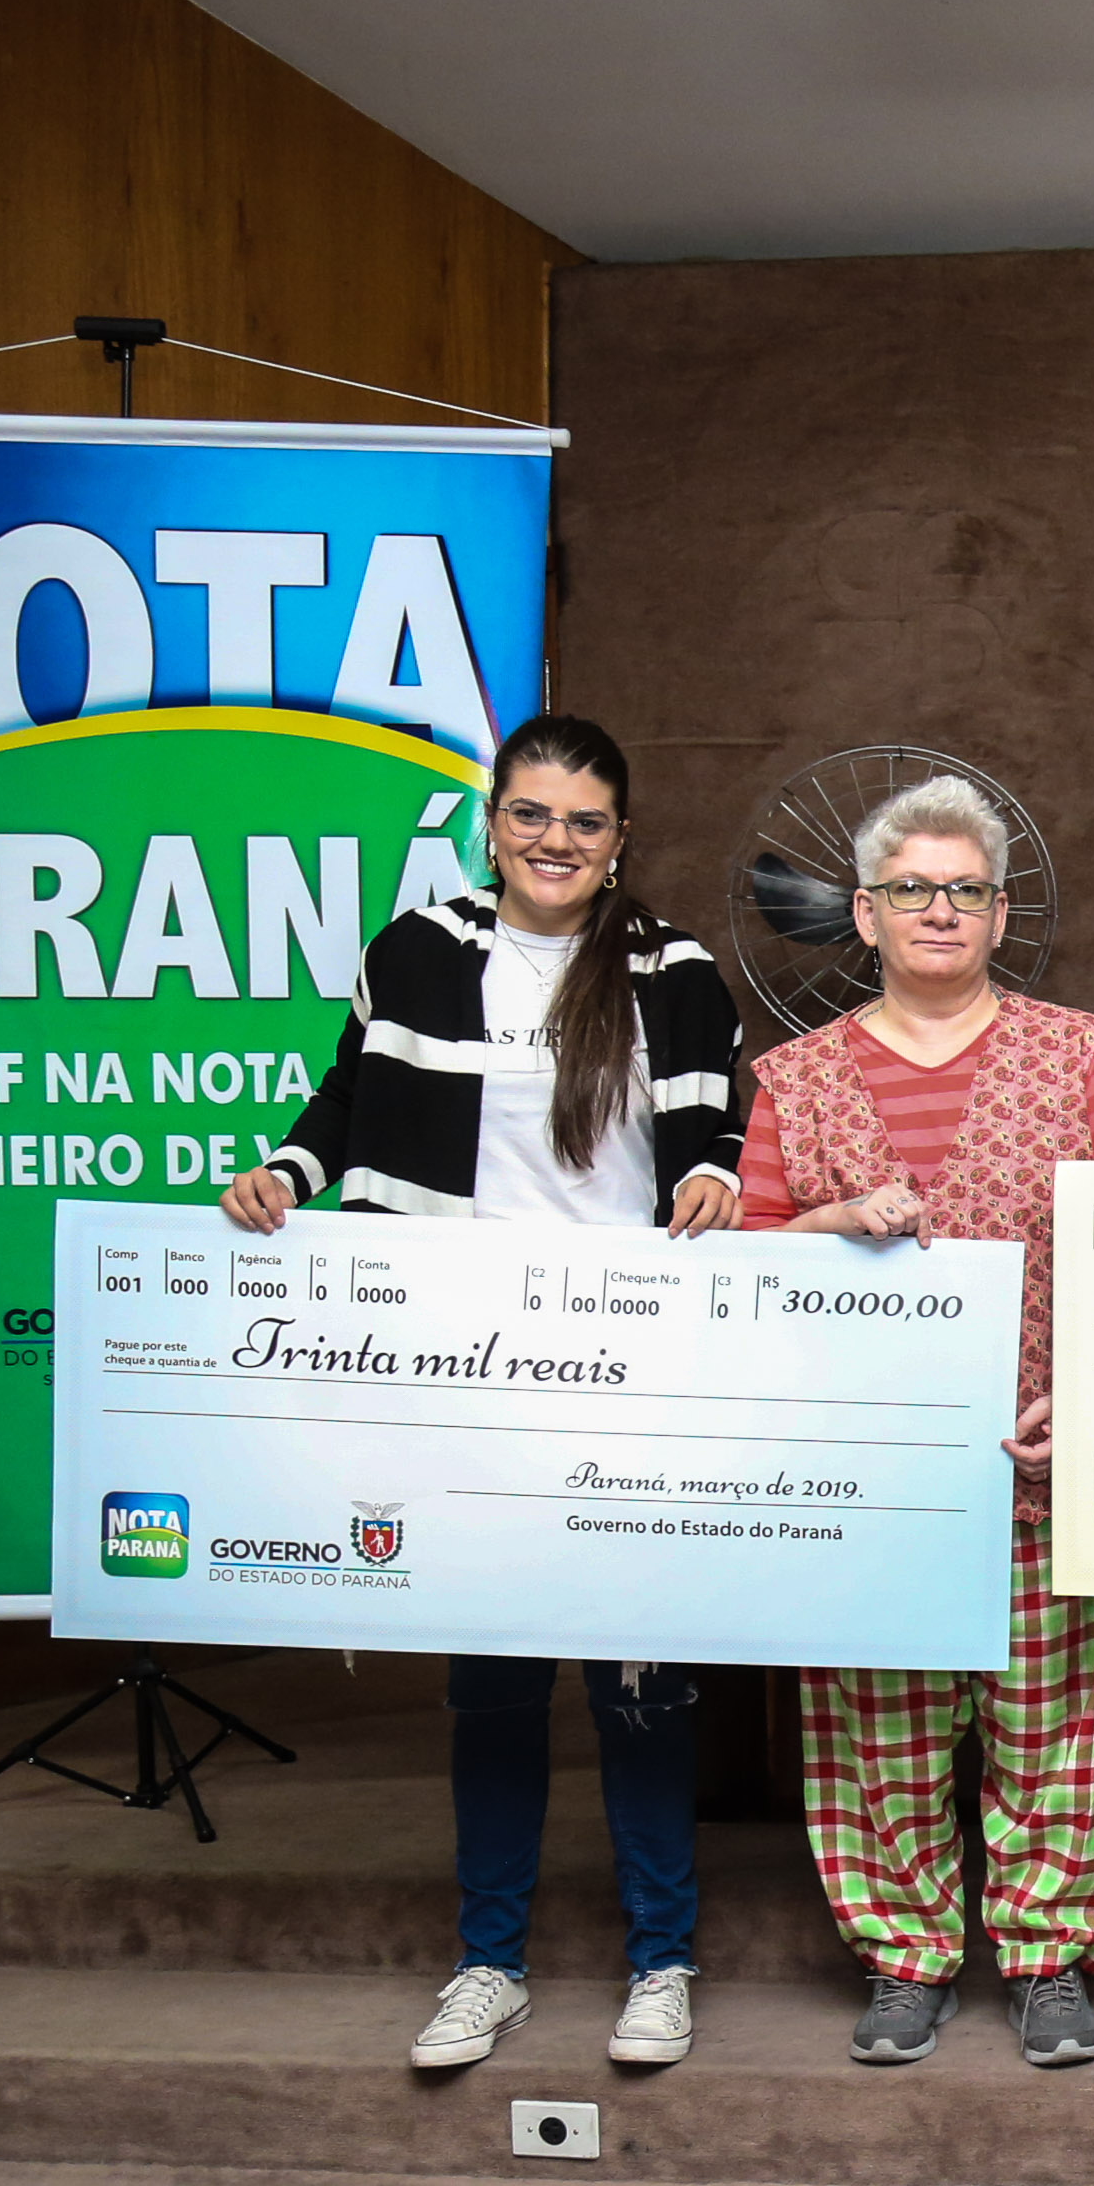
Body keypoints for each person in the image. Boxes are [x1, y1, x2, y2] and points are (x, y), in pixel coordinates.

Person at [228, 713, 742, 2073]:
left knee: (641, 1683)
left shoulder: (675, 969)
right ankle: (489, 1964)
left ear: (619, 838)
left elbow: (718, 1127)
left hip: (629, 1365)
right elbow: (345, 1101)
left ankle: (663, 1962)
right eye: (531, 814)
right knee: (496, 1682)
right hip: (462, 1360)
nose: (555, 840)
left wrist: (715, 1173)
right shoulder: (416, 951)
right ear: (493, 823)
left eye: (584, 821)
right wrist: (285, 1175)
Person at [734, 773, 1094, 2069]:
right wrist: (825, 1221)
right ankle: (904, 1957)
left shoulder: (1078, 1053)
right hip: (870, 1488)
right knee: (880, 1728)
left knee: (1057, 1723)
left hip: (1041, 1464)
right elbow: (739, 1274)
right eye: (911, 889)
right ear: (864, 913)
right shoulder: (797, 1080)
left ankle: (1048, 1958)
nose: (939, 910)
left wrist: (1090, 1390)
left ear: (1000, 914)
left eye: (965, 890)